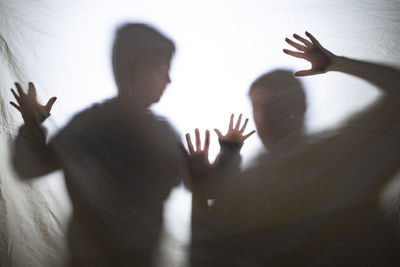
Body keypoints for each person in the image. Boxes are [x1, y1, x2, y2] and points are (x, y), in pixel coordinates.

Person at [185, 31, 400, 266]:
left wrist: (337, 63)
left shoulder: (342, 150)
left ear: (301, 106)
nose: (268, 115)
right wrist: (207, 185)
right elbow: (212, 254)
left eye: (278, 104)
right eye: (260, 106)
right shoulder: (251, 182)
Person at [10, 23, 184, 267]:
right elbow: (31, 167)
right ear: (137, 70)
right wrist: (31, 125)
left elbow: (192, 181)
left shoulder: (161, 131)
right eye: (163, 69)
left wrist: (225, 154)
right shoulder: (92, 125)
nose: (169, 79)